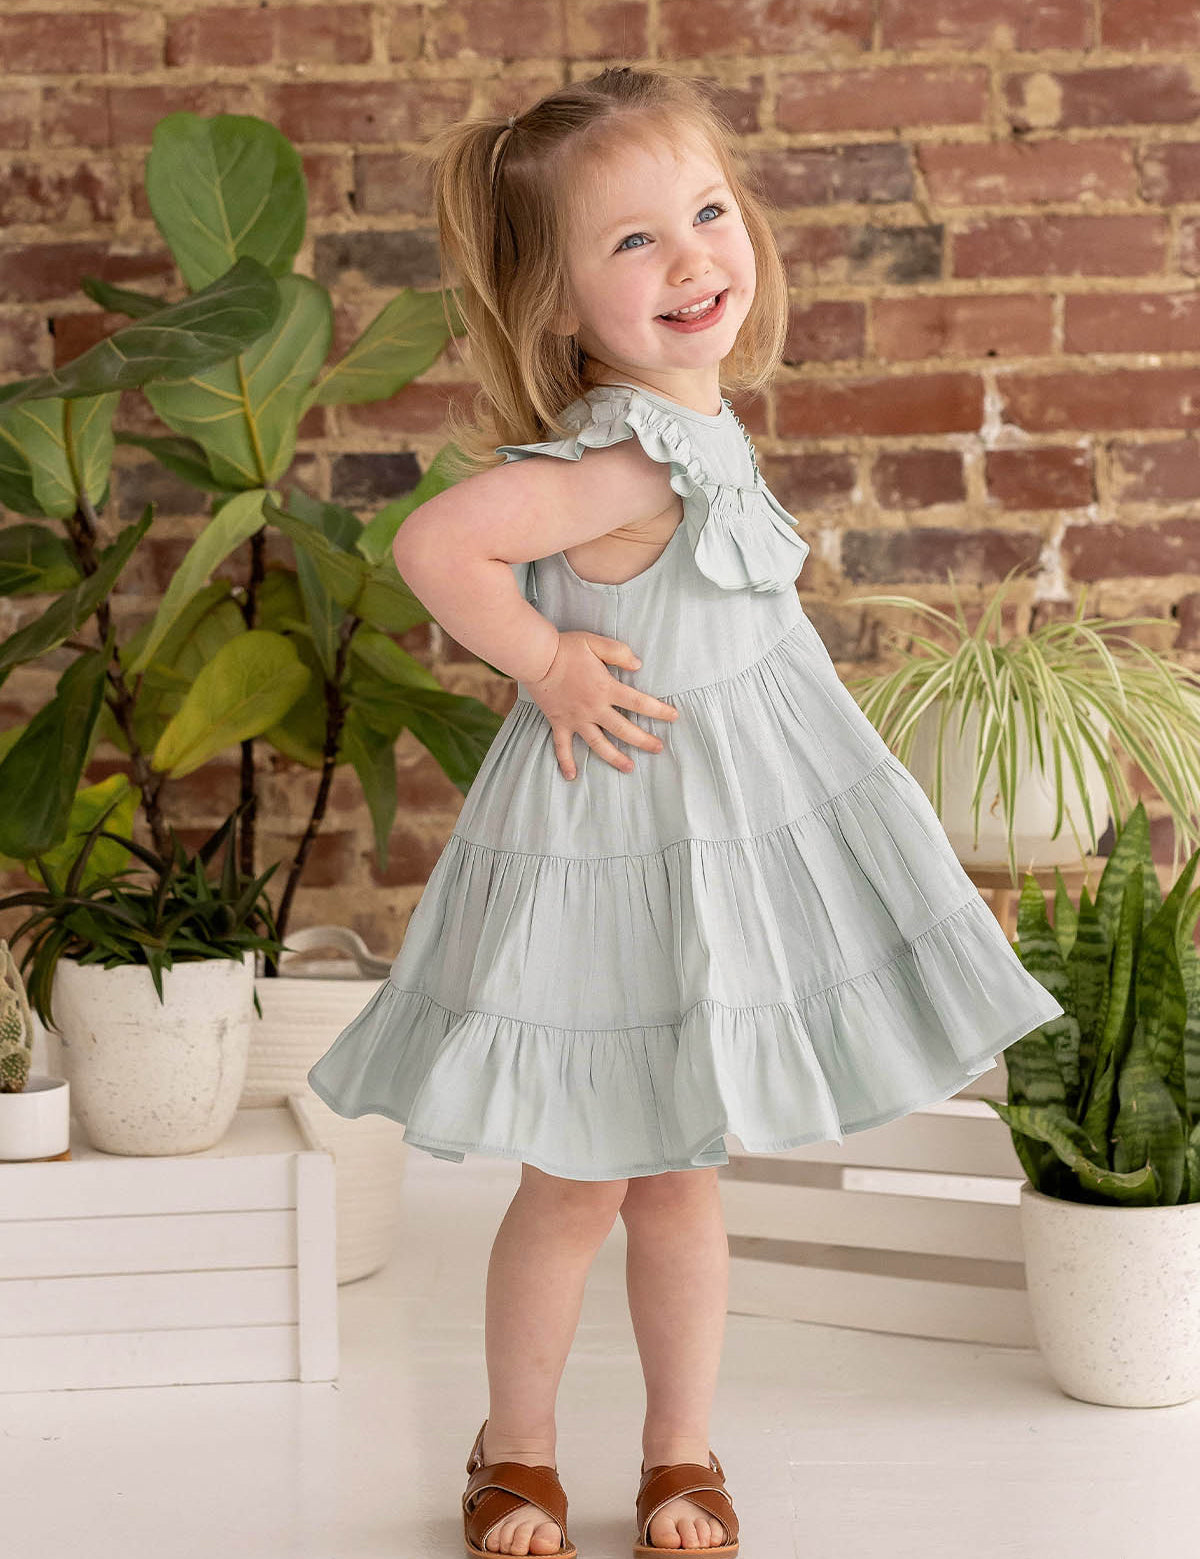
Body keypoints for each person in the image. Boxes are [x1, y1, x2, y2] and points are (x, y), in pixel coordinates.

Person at [306, 64, 1066, 1559]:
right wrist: (543, 662)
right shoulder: (617, 457)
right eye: (633, 243)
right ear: (560, 303)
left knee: (682, 1177)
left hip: (700, 863)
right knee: (579, 1180)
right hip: (614, 853)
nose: (693, 257)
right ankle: (512, 1447)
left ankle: (679, 1452)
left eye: (707, 213)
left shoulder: (698, 428)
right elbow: (440, 543)